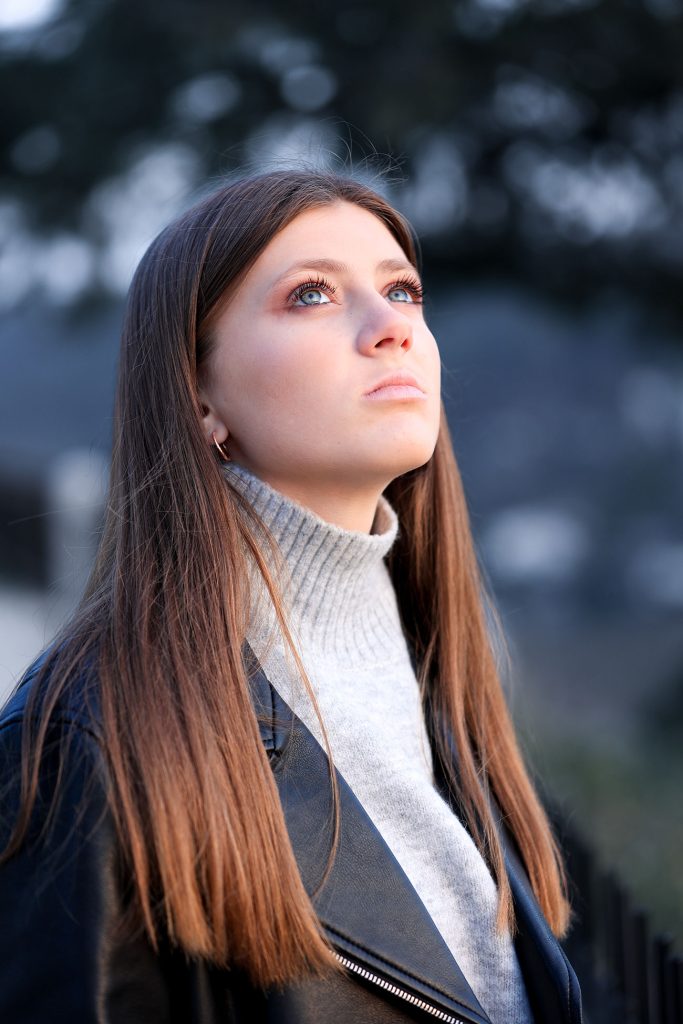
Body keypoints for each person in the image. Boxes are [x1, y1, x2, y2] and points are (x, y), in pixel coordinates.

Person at [0, 168, 583, 1024]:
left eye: (403, 291)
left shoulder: (441, 693)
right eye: (310, 294)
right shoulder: (87, 748)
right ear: (198, 395)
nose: (391, 328)